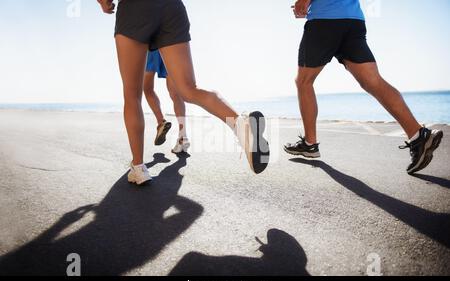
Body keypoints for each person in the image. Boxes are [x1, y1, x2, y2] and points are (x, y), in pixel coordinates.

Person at [97, 0, 270, 185]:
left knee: (132, 95)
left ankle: (138, 168)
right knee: (189, 89)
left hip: (135, 9)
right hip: (172, 8)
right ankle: (241, 126)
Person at [285, 0, 443, 175]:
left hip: (325, 20)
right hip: (354, 21)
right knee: (373, 81)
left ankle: (310, 144)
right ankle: (417, 135)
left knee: (304, 82)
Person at [143, 50, 190, 154]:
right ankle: (183, 136)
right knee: (176, 95)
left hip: (150, 46)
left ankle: (161, 122)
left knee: (147, 88)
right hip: (168, 45)